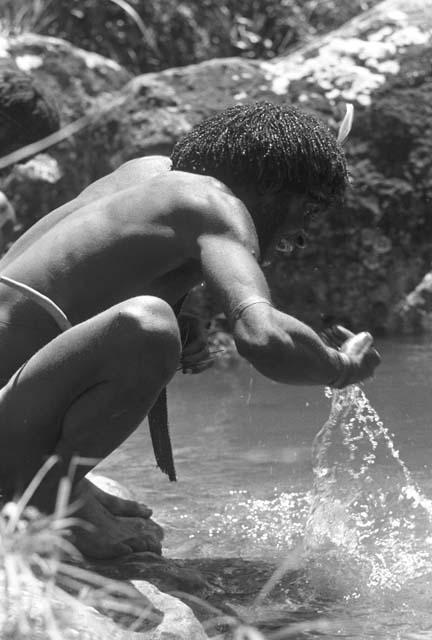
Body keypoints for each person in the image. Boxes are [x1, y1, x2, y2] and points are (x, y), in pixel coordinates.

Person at [0, 101, 380, 558]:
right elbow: (262, 336)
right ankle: (48, 505)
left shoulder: (145, 173)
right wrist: (341, 366)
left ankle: (58, 481)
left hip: (12, 397)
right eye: (308, 211)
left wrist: (180, 313)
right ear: (273, 188)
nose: (301, 238)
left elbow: (65, 287)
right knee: (149, 328)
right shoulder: (215, 204)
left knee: (159, 322)